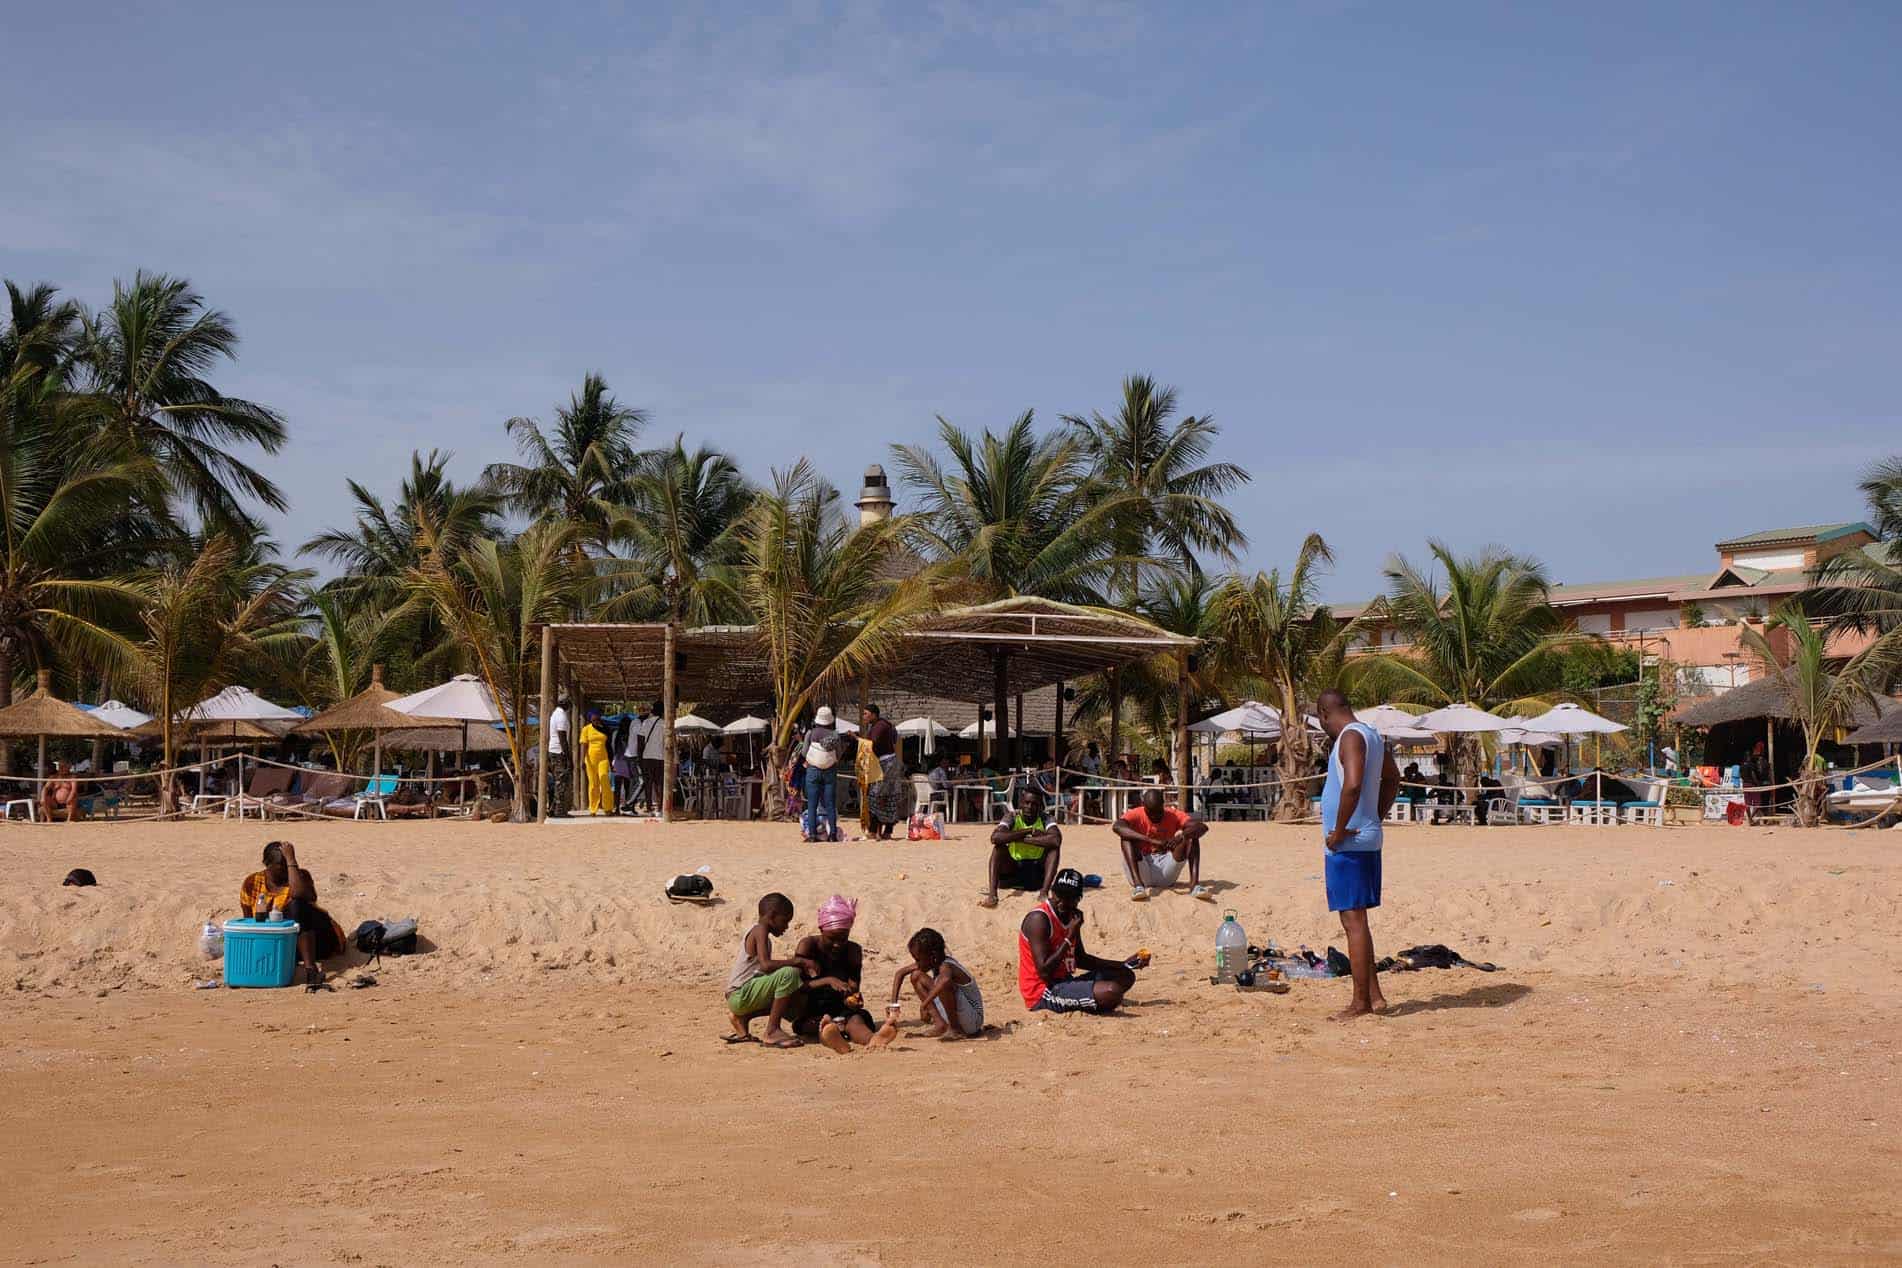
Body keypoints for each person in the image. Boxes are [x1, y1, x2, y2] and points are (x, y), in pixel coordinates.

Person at [1315, 687, 1401, 1022]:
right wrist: (1374, 817)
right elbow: (1392, 779)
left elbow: (1352, 784)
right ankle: (1376, 996)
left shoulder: (1350, 737)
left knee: (1352, 922)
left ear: (1325, 713)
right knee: (1359, 923)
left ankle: (1359, 1003)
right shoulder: (1373, 735)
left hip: (1348, 843)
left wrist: (1338, 830)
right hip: (1366, 838)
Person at [1017, 868, 1137, 1015]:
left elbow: (1081, 959)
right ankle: (1089, 999)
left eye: (1069, 898)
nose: (1061, 902)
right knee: (1112, 992)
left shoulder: (1071, 916)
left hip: (1064, 982)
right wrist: (1070, 936)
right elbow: (1044, 972)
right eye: (1059, 895)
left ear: (1078, 899)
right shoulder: (1039, 920)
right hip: (1043, 992)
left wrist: (1121, 964)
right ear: (1053, 892)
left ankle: (1086, 998)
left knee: (1125, 974)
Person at [240, 841, 347, 987]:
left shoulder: (300, 876)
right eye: (281, 866)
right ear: (267, 864)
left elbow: (300, 894)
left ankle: (311, 970)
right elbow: (249, 922)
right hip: (286, 943)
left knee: (297, 905)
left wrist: (292, 861)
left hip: (320, 939)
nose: (286, 870)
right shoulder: (252, 883)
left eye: (288, 865)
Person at [725, 893, 813, 1048]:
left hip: (741, 995)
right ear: (772, 916)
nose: (786, 927)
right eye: (785, 921)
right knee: (789, 974)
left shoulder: (761, 934)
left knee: (790, 990)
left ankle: (743, 1018)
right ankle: (772, 1031)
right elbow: (766, 965)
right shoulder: (760, 930)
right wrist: (798, 961)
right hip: (740, 994)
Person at [792, 895, 876, 1053]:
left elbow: (854, 985)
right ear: (821, 930)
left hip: (841, 1009)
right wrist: (828, 980)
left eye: (843, 939)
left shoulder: (853, 950)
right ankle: (833, 1038)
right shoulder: (807, 946)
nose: (837, 944)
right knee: (824, 1025)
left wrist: (853, 996)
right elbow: (797, 986)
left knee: (856, 1021)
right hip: (812, 1009)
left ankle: (874, 1041)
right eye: (832, 939)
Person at [875, 926, 983, 1044]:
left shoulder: (947, 965)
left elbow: (945, 980)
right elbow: (900, 973)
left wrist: (924, 1004)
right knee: (916, 976)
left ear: (932, 955)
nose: (917, 963)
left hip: (973, 1021)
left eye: (918, 959)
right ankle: (940, 1024)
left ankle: (956, 1030)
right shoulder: (933, 962)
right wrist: (893, 1007)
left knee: (943, 985)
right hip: (961, 1015)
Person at [1113, 787, 1213, 902]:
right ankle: (1138, 887)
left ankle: (1194, 886)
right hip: (1142, 869)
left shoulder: (1173, 814)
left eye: (1159, 812)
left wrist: (1180, 837)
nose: (1155, 817)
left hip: (1166, 871)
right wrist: (1151, 840)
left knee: (1192, 835)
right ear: (1143, 806)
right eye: (1151, 814)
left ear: (1163, 805)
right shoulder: (1135, 813)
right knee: (1126, 837)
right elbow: (1117, 827)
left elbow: (1202, 827)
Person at [981, 787, 1062, 908]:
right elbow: (995, 837)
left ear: (1040, 807)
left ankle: (1043, 893)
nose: (1029, 807)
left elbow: (1056, 839)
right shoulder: (1012, 817)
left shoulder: (1046, 818)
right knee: (999, 848)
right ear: (1020, 803)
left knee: (1054, 849)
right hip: (1012, 872)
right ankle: (992, 895)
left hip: (1035, 874)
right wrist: (1028, 831)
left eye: (1034, 804)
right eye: (1027, 803)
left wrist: (1021, 840)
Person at [861, 704, 905, 839]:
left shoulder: (880, 726)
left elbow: (872, 743)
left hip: (887, 765)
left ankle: (877, 831)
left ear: (874, 715)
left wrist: (857, 739)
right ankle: (882, 831)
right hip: (884, 763)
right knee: (884, 796)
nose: (864, 716)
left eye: (866, 713)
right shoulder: (879, 726)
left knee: (878, 796)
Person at [802, 707, 842, 842]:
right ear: (830, 720)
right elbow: (839, 754)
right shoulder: (835, 735)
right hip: (830, 771)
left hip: (813, 770)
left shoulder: (810, 733)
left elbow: (803, 752)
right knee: (830, 804)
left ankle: (812, 835)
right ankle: (833, 835)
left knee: (812, 804)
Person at [579, 710, 612, 815]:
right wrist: (583, 760)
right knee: (593, 784)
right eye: (594, 719)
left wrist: (611, 761)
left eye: (597, 719)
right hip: (590, 760)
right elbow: (584, 745)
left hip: (603, 758)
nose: (596, 721)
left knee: (605, 780)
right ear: (590, 719)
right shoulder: (586, 729)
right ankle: (593, 809)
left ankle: (608, 808)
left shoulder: (605, 729)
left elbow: (609, 746)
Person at [638, 702, 668, 815]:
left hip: (647, 757)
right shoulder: (665, 724)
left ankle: (649, 807)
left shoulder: (645, 723)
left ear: (652, 711)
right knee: (659, 783)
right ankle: (660, 808)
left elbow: (640, 741)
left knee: (648, 783)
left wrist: (639, 758)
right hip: (660, 757)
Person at [545, 697, 571, 816]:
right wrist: (568, 756)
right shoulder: (561, 716)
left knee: (558, 781)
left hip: (554, 750)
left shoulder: (555, 714)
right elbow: (562, 738)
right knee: (561, 782)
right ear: (565, 704)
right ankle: (558, 811)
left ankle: (553, 809)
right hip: (559, 751)